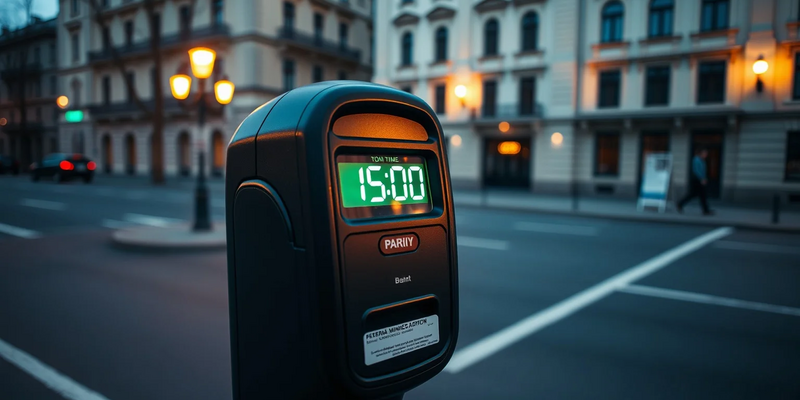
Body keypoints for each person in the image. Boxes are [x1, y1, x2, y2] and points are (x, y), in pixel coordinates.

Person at [677, 148, 713, 215]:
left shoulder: (702, 160)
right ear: (701, 153)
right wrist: (702, 179)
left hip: (700, 180)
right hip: (697, 180)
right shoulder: (696, 160)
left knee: (697, 195)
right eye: (704, 153)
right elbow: (696, 170)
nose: (706, 155)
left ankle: (680, 204)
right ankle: (705, 210)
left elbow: (703, 170)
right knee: (701, 195)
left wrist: (704, 178)